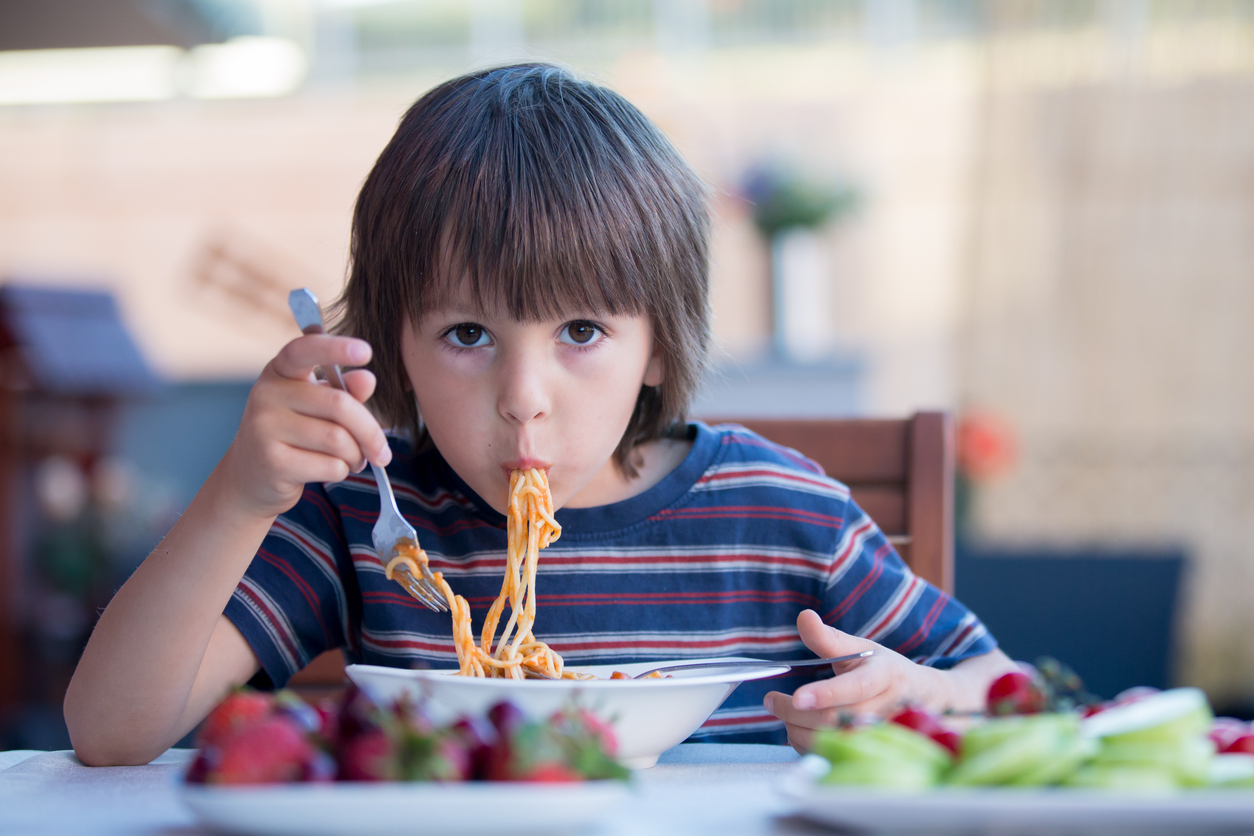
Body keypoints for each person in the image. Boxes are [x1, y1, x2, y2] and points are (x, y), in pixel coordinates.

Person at [65, 63, 1016, 766]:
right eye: (468, 334)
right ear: (393, 345)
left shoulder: (778, 514)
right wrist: (241, 496)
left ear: (657, 349)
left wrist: (915, 697)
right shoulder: (364, 518)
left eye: (583, 331)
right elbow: (110, 734)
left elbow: (1003, 691)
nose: (525, 398)